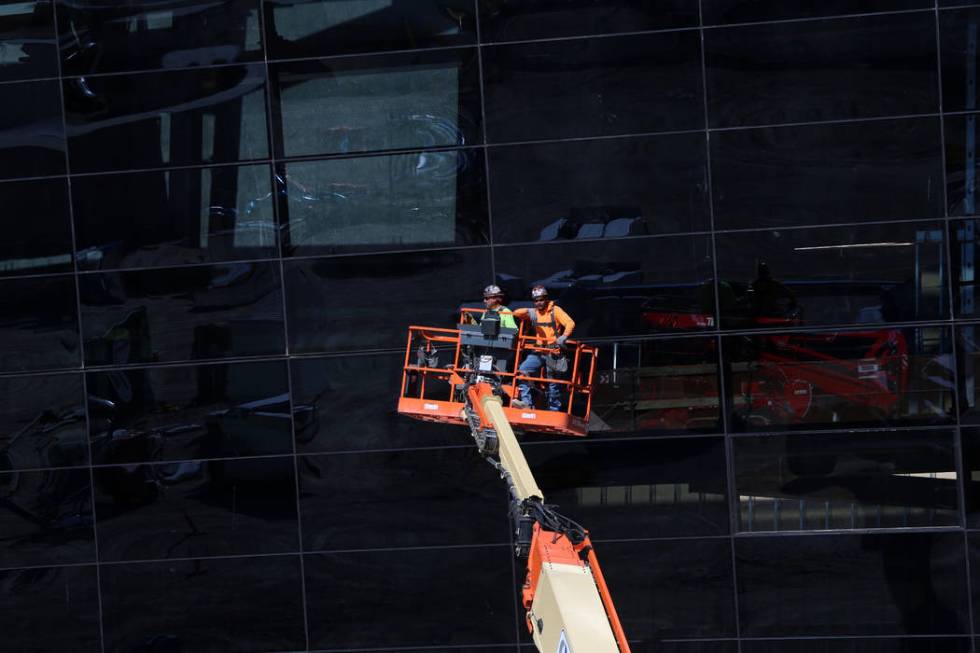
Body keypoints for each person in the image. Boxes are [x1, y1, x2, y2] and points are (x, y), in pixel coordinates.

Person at [511, 285, 575, 411]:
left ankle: (554, 410)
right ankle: (526, 403)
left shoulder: (555, 310)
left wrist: (563, 337)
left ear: (546, 299)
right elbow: (516, 312)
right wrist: (528, 311)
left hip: (553, 351)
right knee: (523, 370)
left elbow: (570, 323)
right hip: (539, 351)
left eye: (541, 299)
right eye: (536, 300)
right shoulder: (534, 313)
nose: (538, 303)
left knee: (552, 383)